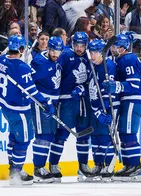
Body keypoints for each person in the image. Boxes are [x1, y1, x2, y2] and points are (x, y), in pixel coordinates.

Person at [0, 35, 56, 186]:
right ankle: (17, 171)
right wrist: (46, 103)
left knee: (14, 136)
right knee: (24, 139)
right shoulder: (22, 68)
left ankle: (12, 166)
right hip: (19, 109)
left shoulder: (1, 60)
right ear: (21, 49)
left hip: (6, 107)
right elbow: (32, 92)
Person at [103, 33, 141, 182]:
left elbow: (134, 84)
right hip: (130, 99)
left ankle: (135, 167)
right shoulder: (122, 59)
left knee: (128, 131)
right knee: (123, 132)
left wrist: (116, 86)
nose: (112, 48)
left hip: (134, 98)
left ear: (123, 47)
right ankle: (128, 165)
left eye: (115, 46)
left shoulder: (128, 59)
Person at [48, 32, 92, 182]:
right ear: (72, 44)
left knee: (84, 135)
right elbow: (56, 76)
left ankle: (83, 166)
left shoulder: (89, 57)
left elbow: (93, 79)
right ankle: (53, 165)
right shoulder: (65, 55)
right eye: (77, 45)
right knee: (61, 134)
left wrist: (83, 89)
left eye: (82, 46)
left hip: (84, 101)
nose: (79, 49)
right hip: (66, 101)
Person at [30, 36, 64, 183]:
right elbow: (30, 85)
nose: (56, 54)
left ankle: (42, 167)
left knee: (49, 135)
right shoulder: (39, 62)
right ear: (48, 49)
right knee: (43, 135)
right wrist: (45, 101)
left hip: (52, 104)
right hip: (40, 104)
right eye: (53, 51)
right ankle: (38, 169)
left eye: (58, 51)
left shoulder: (57, 60)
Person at [87, 39, 118, 181]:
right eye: (91, 52)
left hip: (106, 108)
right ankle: (98, 164)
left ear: (102, 53)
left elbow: (108, 92)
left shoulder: (109, 66)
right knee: (95, 137)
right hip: (95, 109)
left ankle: (108, 165)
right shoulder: (92, 66)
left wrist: (103, 110)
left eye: (95, 52)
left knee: (106, 138)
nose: (92, 55)